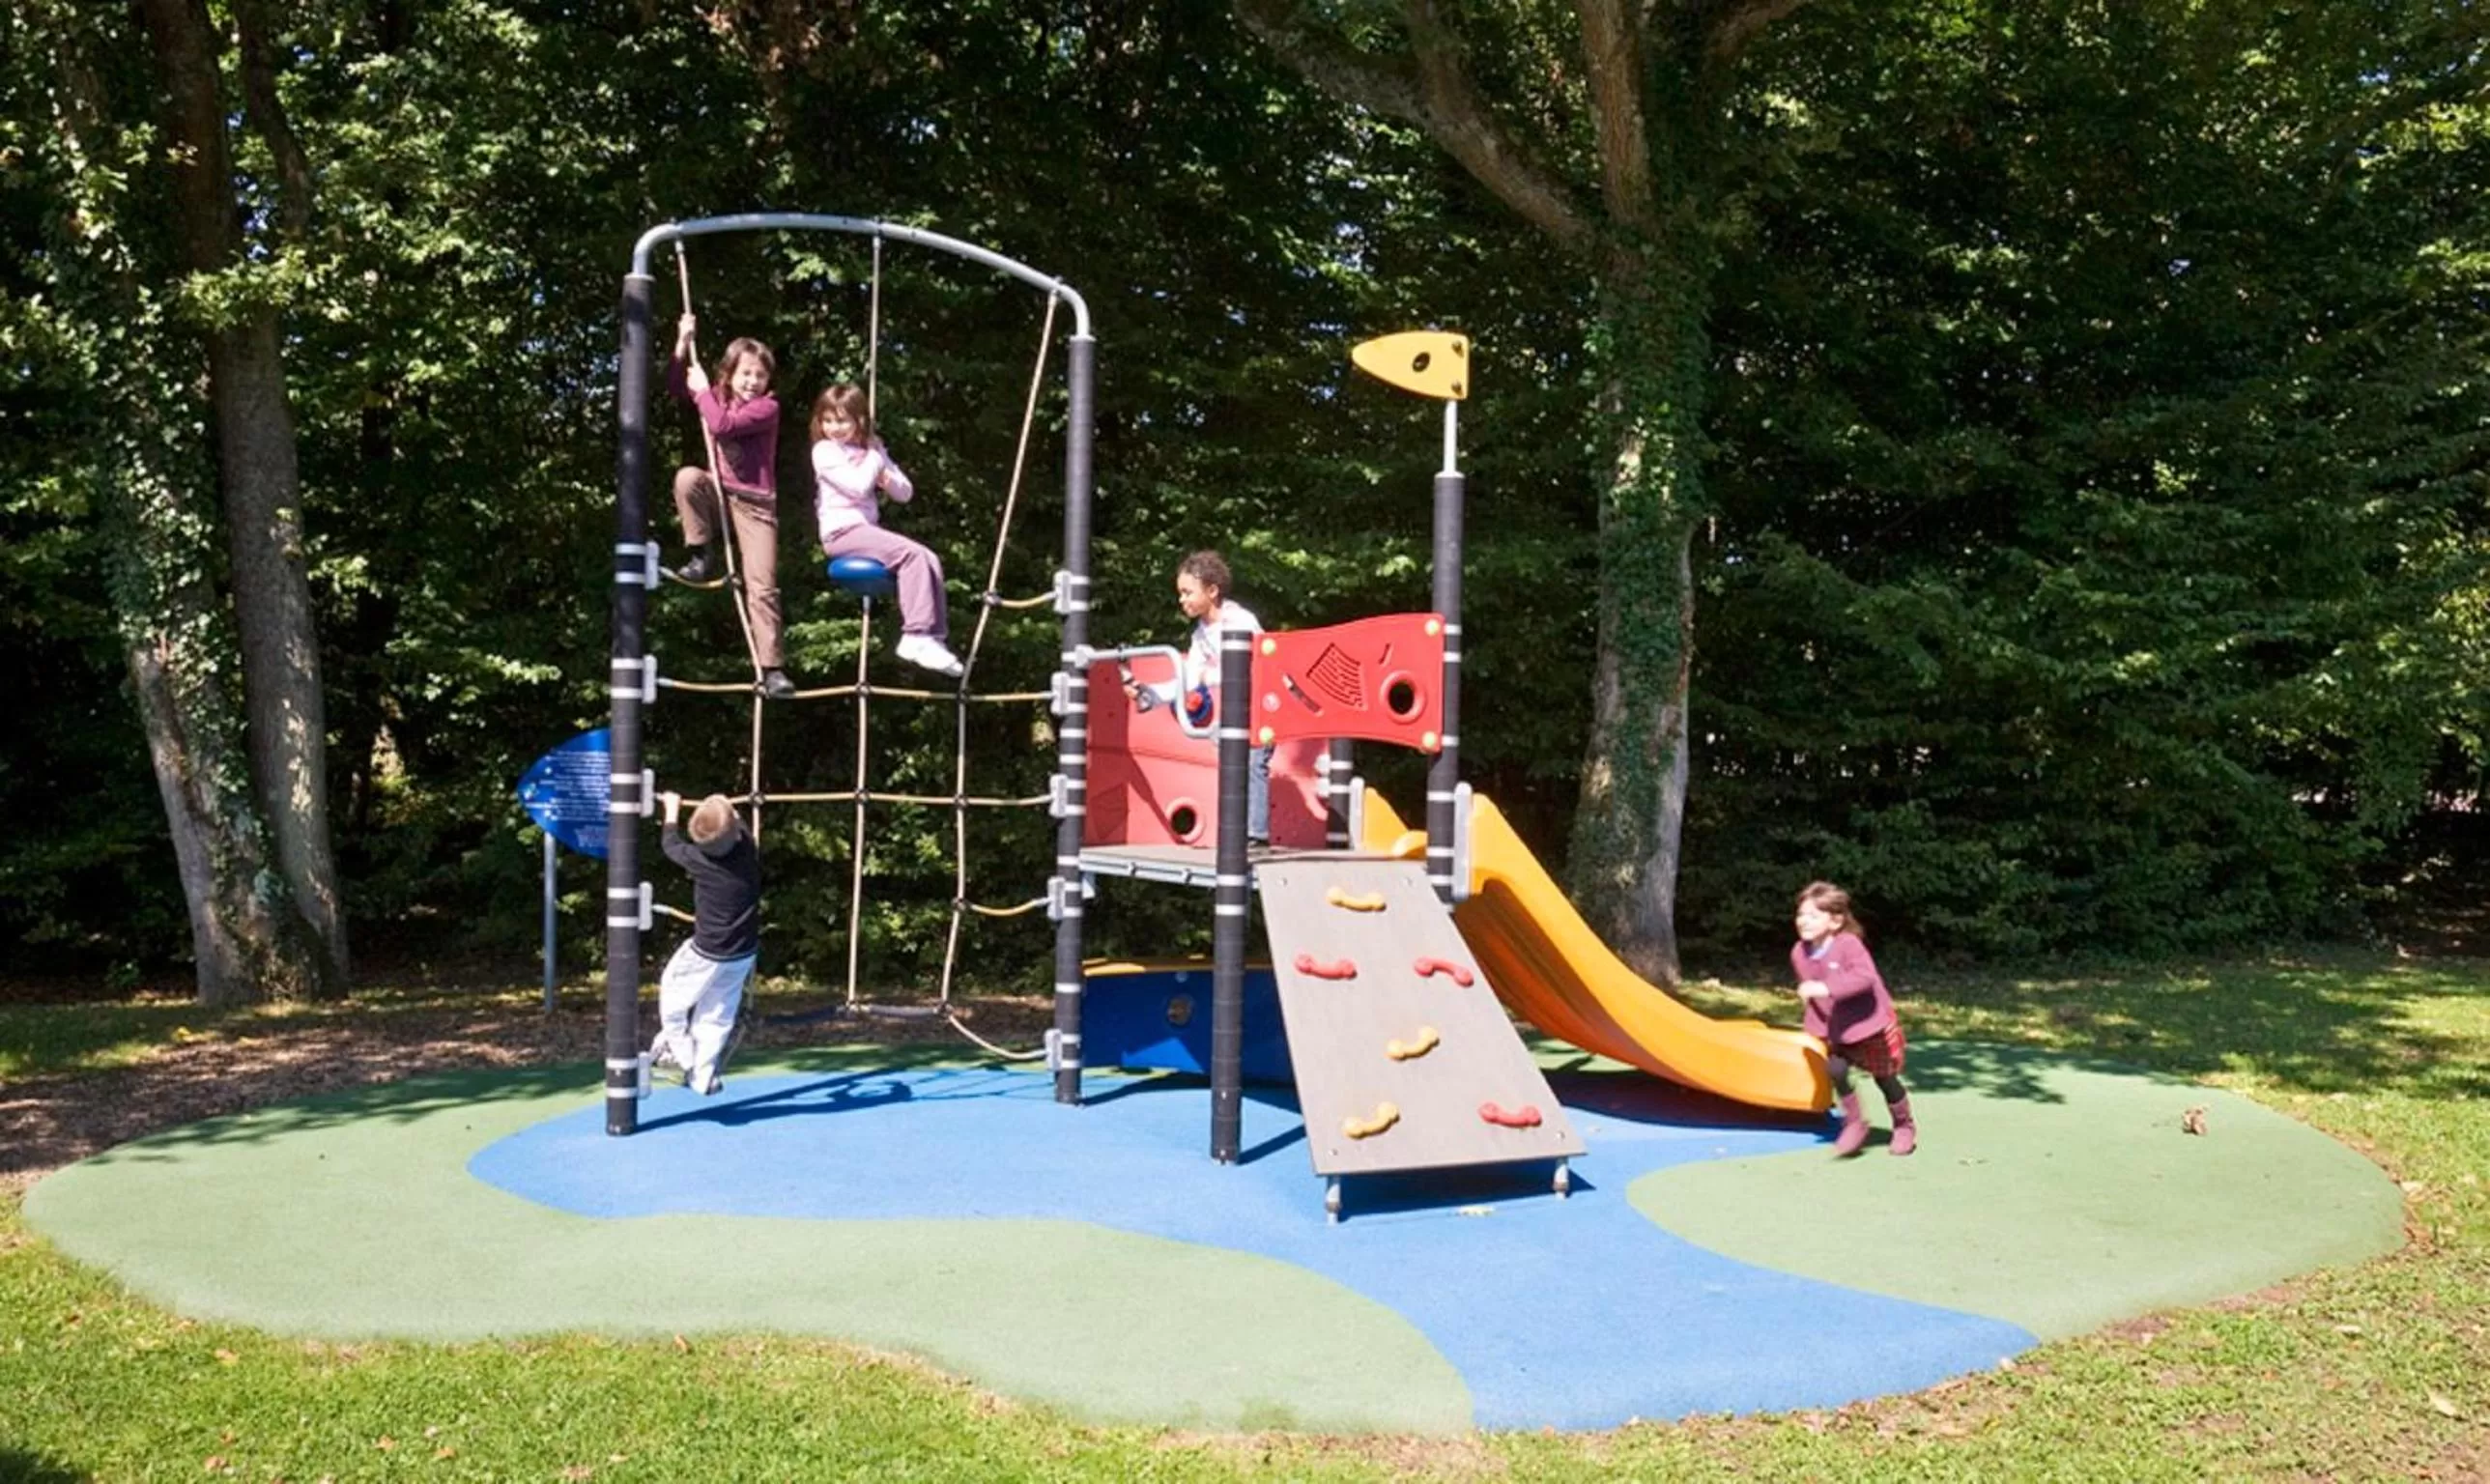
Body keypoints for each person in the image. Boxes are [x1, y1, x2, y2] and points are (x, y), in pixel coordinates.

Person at [667, 316, 795, 699]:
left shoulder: (766, 409)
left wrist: (704, 392)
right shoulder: (717, 394)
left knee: (762, 585)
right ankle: (700, 552)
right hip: (720, 492)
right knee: (688, 478)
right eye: (746, 374)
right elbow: (676, 386)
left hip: (756, 504)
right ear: (730, 372)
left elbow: (722, 426)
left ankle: (772, 668)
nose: (753, 382)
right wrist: (681, 342)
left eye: (760, 376)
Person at [809, 385, 963, 678]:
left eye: (842, 420)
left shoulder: (869, 452)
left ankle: (934, 638)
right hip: (841, 532)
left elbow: (904, 493)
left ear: (859, 421)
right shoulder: (824, 451)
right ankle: (915, 634)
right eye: (828, 420)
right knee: (911, 554)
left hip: (864, 530)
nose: (835, 428)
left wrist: (882, 464)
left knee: (929, 557)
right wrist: (875, 459)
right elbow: (856, 487)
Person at [1123, 550, 1271, 844]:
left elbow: (1252, 667)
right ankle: (1239, 833)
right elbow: (1189, 678)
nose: (1182, 600)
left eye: (1188, 592)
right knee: (1233, 761)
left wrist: (1209, 677)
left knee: (1254, 762)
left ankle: (1257, 835)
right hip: (1238, 707)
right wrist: (1149, 694)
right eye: (1180, 593)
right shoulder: (1201, 633)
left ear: (1212, 591)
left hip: (1264, 702)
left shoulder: (1239, 621)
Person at [1791, 881, 1915, 1156]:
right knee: (1835, 1070)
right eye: (1801, 915)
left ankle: (1904, 1125)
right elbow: (1815, 999)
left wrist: (1826, 987)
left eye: (1813, 916)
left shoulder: (1848, 945)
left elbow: (1864, 978)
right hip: (1838, 1029)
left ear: (1835, 921)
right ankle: (1855, 1122)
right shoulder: (1799, 952)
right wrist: (1815, 1027)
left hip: (1869, 1025)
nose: (1804, 921)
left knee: (1885, 1078)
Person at [648, 790, 759, 1095]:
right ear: (737, 831)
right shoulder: (748, 851)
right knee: (716, 1015)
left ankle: (681, 1056)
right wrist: (724, 805)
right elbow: (738, 825)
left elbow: (669, 844)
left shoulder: (698, 859)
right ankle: (703, 1075)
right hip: (742, 952)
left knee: (673, 998)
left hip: (706, 952)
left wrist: (671, 809)